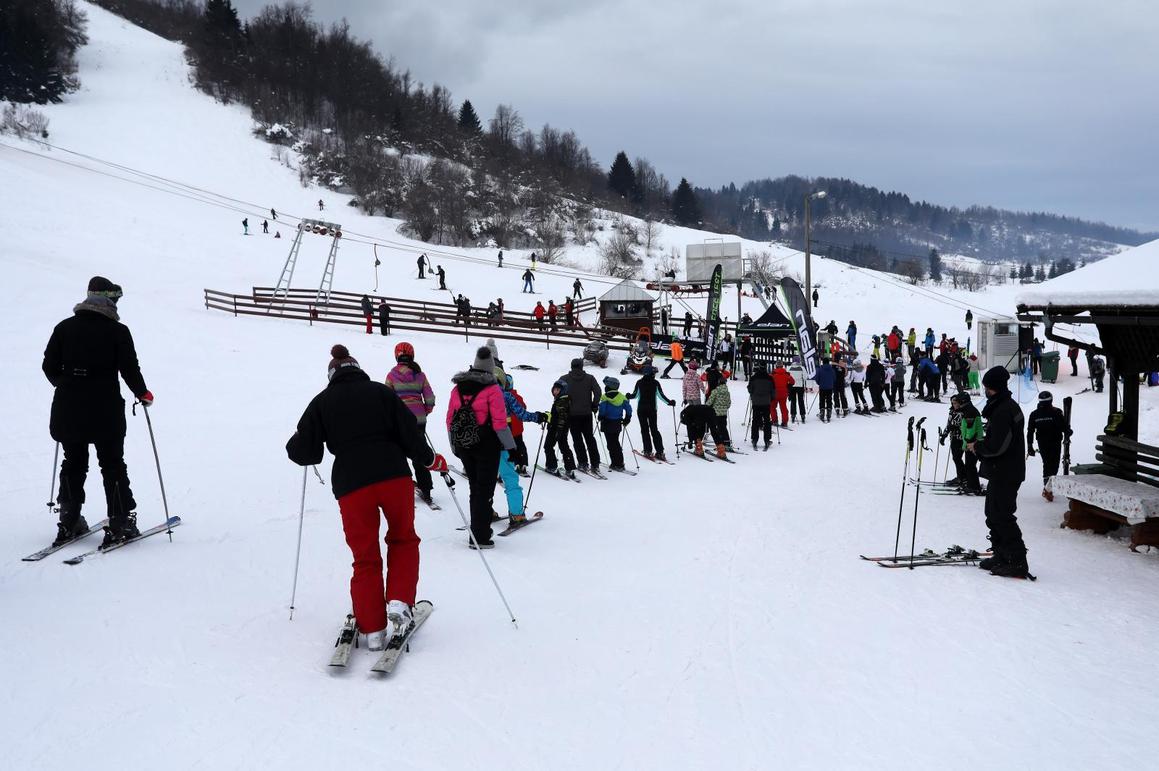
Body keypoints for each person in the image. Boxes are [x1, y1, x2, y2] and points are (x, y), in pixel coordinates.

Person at [287, 344, 445, 649]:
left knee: (365, 555)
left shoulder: (321, 402)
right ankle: (399, 601)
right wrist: (429, 460)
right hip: (393, 475)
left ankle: (373, 628)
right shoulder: (381, 393)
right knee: (403, 538)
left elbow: (304, 451)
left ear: (331, 375)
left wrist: (302, 438)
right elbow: (411, 433)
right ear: (358, 369)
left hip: (352, 485)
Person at [42, 276, 153, 548]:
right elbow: (129, 368)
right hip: (104, 407)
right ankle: (119, 522)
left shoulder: (64, 328)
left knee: (73, 461)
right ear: (107, 300)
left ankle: (68, 520)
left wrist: (67, 384)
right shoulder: (117, 331)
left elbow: (48, 366)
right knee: (112, 463)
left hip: (68, 406)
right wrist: (143, 394)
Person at [446, 346, 517, 547]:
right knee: (485, 490)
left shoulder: (457, 388)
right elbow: (499, 424)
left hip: (463, 445)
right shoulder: (492, 389)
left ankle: (478, 530)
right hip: (486, 446)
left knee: (474, 488)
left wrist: (455, 446)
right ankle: (480, 535)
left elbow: (450, 419)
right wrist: (512, 448)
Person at [969, 367, 1031, 578]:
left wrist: (978, 447)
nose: (985, 390)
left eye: (986, 386)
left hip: (1006, 471)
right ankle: (1002, 554)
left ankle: (1017, 561)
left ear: (991, 387)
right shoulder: (1002, 406)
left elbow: (998, 446)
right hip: (1001, 471)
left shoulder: (1004, 409)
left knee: (1002, 515)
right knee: (993, 514)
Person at [385, 343, 437, 504]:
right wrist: (425, 410)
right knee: (419, 452)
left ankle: (402, 485)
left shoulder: (391, 376)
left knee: (399, 453)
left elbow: (387, 399)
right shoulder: (419, 375)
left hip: (400, 421)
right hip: (419, 420)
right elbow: (430, 398)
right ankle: (426, 488)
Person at [1027, 391, 1070, 502]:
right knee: (1053, 465)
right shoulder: (1056, 413)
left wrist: (1030, 446)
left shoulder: (1035, 414)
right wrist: (1068, 431)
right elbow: (1064, 427)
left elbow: (1030, 432)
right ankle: (1048, 489)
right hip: (1054, 443)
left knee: (1048, 464)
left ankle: (1048, 488)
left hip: (1044, 443)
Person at [628, 365, 675, 460]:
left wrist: (629, 396)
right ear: (652, 373)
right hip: (652, 410)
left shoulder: (639, 382)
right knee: (654, 430)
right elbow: (661, 395)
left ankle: (648, 451)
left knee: (644, 430)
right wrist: (669, 402)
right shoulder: (655, 383)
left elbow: (635, 395)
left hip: (641, 410)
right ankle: (660, 452)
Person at [564, 358, 602, 472]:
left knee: (577, 439)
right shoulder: (590, 378)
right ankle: (595, 463)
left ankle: (582, 463)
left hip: (572, 414)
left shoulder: (564, 379)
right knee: (590, 438)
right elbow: (598, 392)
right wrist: (594, 405)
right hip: (586, 413)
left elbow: (557, 392)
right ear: (581, 366)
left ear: (571, 366)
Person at [542, 380, 577, 479]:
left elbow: (562, 417)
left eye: (557, 390)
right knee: (564, 446)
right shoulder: (563, 399)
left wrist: (558, 430)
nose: (555, 392)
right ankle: (570, 467)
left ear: (563, 390)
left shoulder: (562, 401)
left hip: (557, 428)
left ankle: (551, 466)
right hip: (562, 428)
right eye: (554, 390)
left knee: (548, 446)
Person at [597, 377, 633, 470]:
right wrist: (627, 418)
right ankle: (620, 463)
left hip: (607, 422)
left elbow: (602, 409)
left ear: (609, 387)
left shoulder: (604, 397)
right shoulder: (622, 397)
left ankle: (614, 463)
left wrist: (600, 416)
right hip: (617, 422)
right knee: (616, 442)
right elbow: (628, 409)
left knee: (610, 443)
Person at [940, 394, 966, 487]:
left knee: (957, 458)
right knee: (956, 458)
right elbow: (949, 424)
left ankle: (963, 477)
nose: (954, 404)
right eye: (953, 403)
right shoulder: (951, 411)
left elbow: (965, 426)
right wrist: (944, 435)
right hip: (953, 438)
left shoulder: (963, 412)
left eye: (955, 403)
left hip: (961, 438)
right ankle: (961, 476)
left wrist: (957, 428)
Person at [748, 363, 774, 449]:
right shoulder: (770, 378)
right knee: (767, 421)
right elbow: (773, 390)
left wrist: (752, 394)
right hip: (766, 402)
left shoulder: (754, 377)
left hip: (756, 402)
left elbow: (749, 388)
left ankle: (754, 438)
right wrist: (772, 398)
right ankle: (767, 439)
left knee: (755, 420)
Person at [770, 360, 794, 427]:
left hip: (775, 393)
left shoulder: (773, 374)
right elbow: (793, 382)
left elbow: (769, 382)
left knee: (772, 407)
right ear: (782, 366)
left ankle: (774, 420)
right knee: (783, 408)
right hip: (784, 393)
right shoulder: (786, 374)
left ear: (776, 366)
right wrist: (788, 385)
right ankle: (784, 422)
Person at [787, 356, 808, 423]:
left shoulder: (789, 368)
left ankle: (793, 415)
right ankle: (802, 415)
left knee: (793, 401)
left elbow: (787, 377)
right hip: (800, 386)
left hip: (792, 386)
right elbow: (805, 377)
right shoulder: (802, 368)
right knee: (801, 401)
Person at [815, 357, 836, 422]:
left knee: (822, 400)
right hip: (830, 387)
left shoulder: (820, 369)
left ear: (823, 362)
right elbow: (834, 378)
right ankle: (829, 412)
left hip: (822, 387)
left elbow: (817, 378)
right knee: (829, 399)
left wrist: (819, 383)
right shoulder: (832, 369)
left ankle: (822, 412)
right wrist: (831, 383)